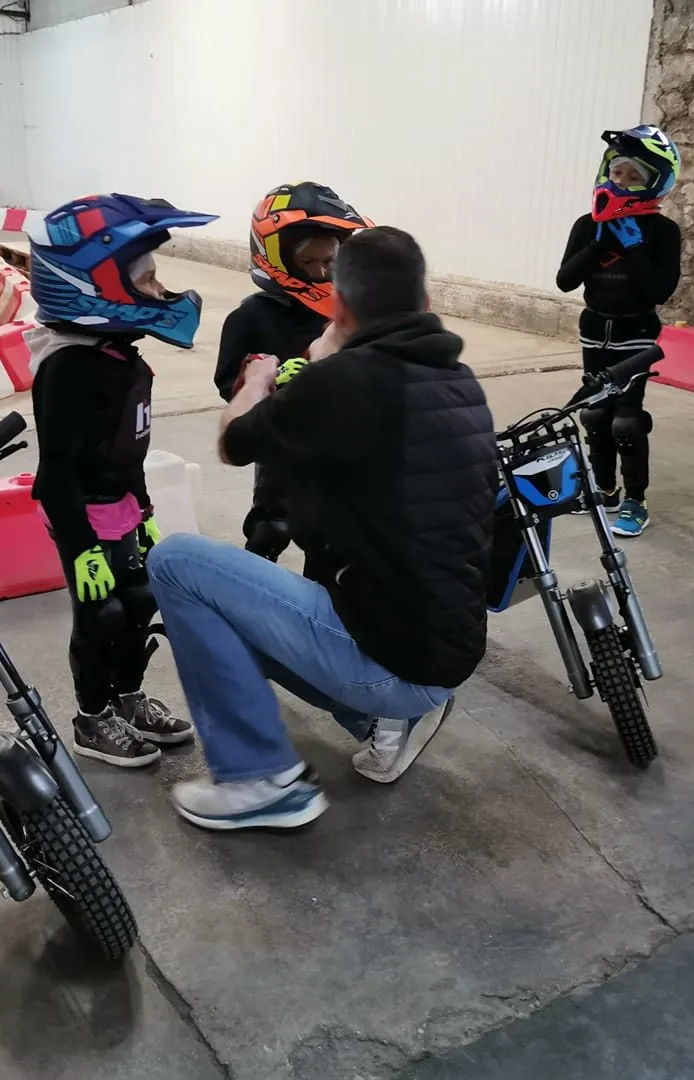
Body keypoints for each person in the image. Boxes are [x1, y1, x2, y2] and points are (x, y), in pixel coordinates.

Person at [146, 226, 498, 830]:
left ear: (339, 304)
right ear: (425, 300)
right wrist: (329, 358)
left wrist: (259, 382)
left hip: (391, 662)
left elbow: (235, 443)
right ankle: (384, 720)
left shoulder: (342, 383)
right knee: (235, 603)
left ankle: (259, 779)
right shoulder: (459, 381)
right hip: (447, 648)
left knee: (178, 564)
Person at [26, 193, 215, 767]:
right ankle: (92, 718)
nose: (159, 290)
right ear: (94, 286)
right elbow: (56, 470)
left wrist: (145, 511)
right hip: (79, 511)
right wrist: (83, 547)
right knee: (99, 613)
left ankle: (129, 699)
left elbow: (129, 451)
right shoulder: (67, 369)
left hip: (121, 506)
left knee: (138, 602)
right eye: (147, 279)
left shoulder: (122, 358)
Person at [213, 182, 370, 561]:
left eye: (329, 262)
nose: (321, 272)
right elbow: (227, 382)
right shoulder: (251, 316)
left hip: (335, 443)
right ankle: (252, 579)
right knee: (271, 526)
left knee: (334, 538)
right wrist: (271, 381)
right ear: (278, 258)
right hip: (280, 441)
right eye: (309, 263)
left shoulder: (346, 313)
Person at [556, 125, 682, 537]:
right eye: (617, 171)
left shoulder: (662, 232)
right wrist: (595, 246)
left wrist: (634, 248)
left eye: (634, 176)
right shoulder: (586, 225)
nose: (621, 182)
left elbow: (659, 291)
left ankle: (635, 500)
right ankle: (605, 489)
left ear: (654, 184)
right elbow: (565, 281)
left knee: (626, 420)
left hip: (636, 333)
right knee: (595, 413)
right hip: (595, 328)